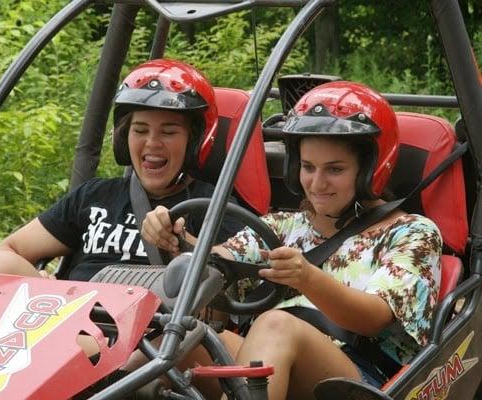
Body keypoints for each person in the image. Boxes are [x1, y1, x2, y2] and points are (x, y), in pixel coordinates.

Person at [141, 81, 442, 399]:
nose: (317, 182)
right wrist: (177, 240)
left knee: (276, 325)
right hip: (265, 362)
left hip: (361, 380)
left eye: (335, 169)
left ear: (371, 170)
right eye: (308, 167)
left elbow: (375, 318)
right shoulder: (281, 226)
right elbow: (219, 259)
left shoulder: (412, 233)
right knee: (167, 339)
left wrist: (308, 278)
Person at [0, 59, 242, 283]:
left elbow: (239, 274)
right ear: (124, 138)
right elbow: (10, 249)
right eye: (140, 130)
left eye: (169, 131)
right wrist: (41, 286)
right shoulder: (95, 195)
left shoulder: (214, 205)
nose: (152, 142)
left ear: (195, 142)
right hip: (70, 315)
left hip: (150, 333)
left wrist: (180, 242)